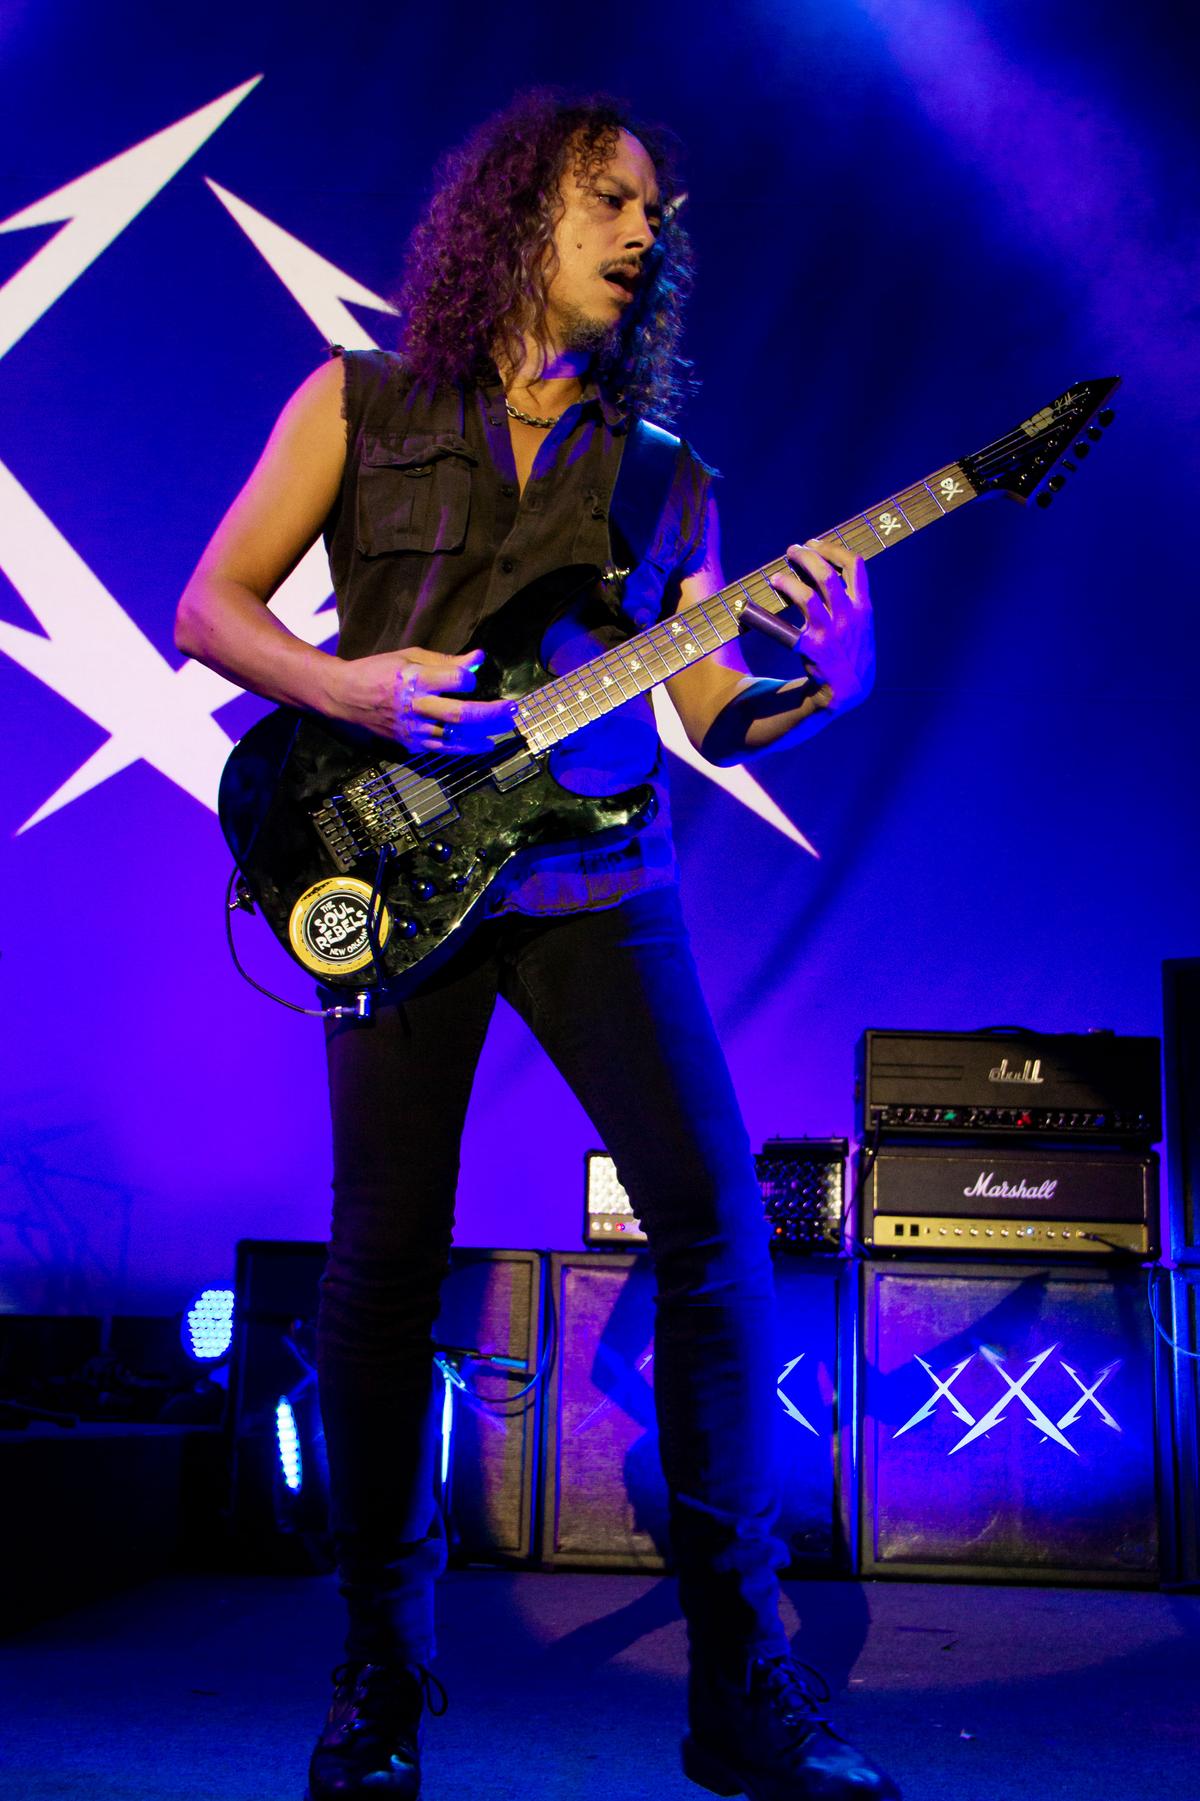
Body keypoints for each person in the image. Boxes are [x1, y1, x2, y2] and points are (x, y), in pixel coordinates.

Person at [176, 89, 897, 1801]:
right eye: (609, 199)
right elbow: (210, 609)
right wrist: (351, 686)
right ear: (518, 215)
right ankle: (380, 1673)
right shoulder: (355, 400)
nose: (644, 231)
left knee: (719, 1232)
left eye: (655, 212)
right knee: (380, 1267)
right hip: (398, 873)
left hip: (599, 874)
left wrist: (833, 681)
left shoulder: (667, 475)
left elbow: (711, 710)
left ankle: (744, 1683)